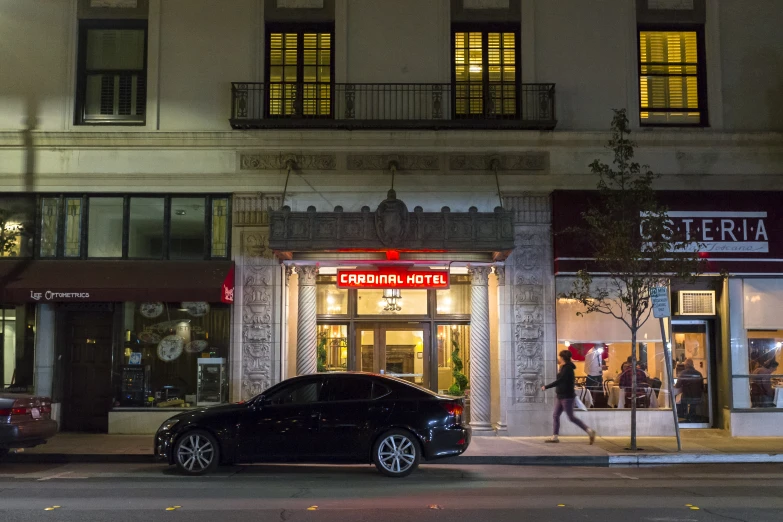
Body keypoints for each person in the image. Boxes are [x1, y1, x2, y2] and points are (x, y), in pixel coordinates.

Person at [541, 350, 597, 444]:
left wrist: (546, 387)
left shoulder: (567, 368)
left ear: (562, 358)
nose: (557, 358)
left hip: (567, 397)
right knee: (555, 415)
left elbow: (560, 381)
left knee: (571, 417)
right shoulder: (563, 367)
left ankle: (589, 431)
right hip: (560, 395)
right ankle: (555, 436)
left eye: (559, 356)